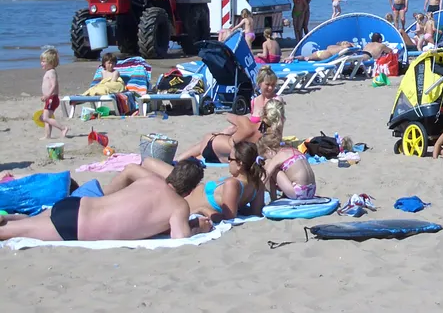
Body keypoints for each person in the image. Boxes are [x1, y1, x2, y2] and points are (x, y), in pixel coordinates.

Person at [0, 160, 211, 241]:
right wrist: (197, 228)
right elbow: (180, 239)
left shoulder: (150, 180)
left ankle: (8, 217)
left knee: (25, 221)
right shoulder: (179, 206)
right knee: (11, 232)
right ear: (190, 190)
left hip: (77, 204)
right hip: (78, 225)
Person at [112, 142, 266, 222]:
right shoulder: (257, 184)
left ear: (240, 164)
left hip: (181, 193)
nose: (228, 163)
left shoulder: (233, 184)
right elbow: (255, 213)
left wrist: (205, 210)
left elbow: (229, 219)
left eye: (230, 159)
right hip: (190, 186)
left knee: (132, 169)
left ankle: (101, 196)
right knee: (149, 162)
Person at [174, 96, 283, 163]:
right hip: (225, 156)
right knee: (230, 137)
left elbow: (228, 116)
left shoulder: (245, 123)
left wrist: (237, 125)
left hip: (211, 145)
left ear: (263, 113)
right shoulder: (272, 137)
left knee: (213, 137)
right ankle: (184, 160)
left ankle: (177, 160)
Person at [257, 100, 317, 199]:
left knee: (269, 166)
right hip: (311, 190)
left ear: (269, 150)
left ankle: (273, 199)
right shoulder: (291, 150)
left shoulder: (276, 157)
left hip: (299, 192)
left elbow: (265, 177)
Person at [39, 47, 68, 140]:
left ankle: (63, 128)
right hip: (49, 98)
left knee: (45, 117)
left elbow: (54, 85)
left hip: (52, 98)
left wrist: (48, 95)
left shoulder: (51, 72)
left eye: (44, 61)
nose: (41, 63)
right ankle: (47, 135)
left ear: (51, 62)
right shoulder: (49, 71)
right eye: (41, 61)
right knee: (47, 118)